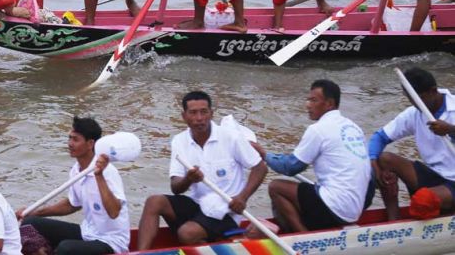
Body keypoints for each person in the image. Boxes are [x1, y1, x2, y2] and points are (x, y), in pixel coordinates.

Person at [135, 91, 267, 249]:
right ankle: (140, 253)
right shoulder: (179, 141)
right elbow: (176, 187)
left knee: (186, 233)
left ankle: (204, 242)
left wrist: (242, 197)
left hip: (225, 210)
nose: (199, 118)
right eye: (193, 113)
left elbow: (260, 168)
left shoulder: (230, 137)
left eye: (204, 112)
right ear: (184, 116)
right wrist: (188, 179)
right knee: (154, 201)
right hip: (198, 205)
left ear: (211, 114)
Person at [253, 80, 373, 232]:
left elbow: (290, 168)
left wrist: (264, 155)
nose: (307, 105)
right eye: (308, 99)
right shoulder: (354, 127)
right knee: (311, 190)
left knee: (276, 187)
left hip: (337, 208)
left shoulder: (318, 129)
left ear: (329, 104)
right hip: (356, 209)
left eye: (313, 100)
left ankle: (303, 237)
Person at [18, 116, 130, 255]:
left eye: (75, 140)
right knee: (29, 223)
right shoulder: (76, 169)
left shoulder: (108, 172)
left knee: (66, 248)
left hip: (110, 241)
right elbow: (72, 204)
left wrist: (99, 176)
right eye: (69, 138)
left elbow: (114, 212)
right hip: (87, 233)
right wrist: (33, 212)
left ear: (90, 144)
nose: (70, 143)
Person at [369, 67, 455, 220]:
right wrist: (373, 162)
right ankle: (393, 220)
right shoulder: (414, 113)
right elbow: (379, 137)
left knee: (423, 201)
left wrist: (451, 130)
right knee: (384, 159)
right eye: (411, 99)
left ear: (433, 91)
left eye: (418, 99)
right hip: (433, 175)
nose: (415, 104)